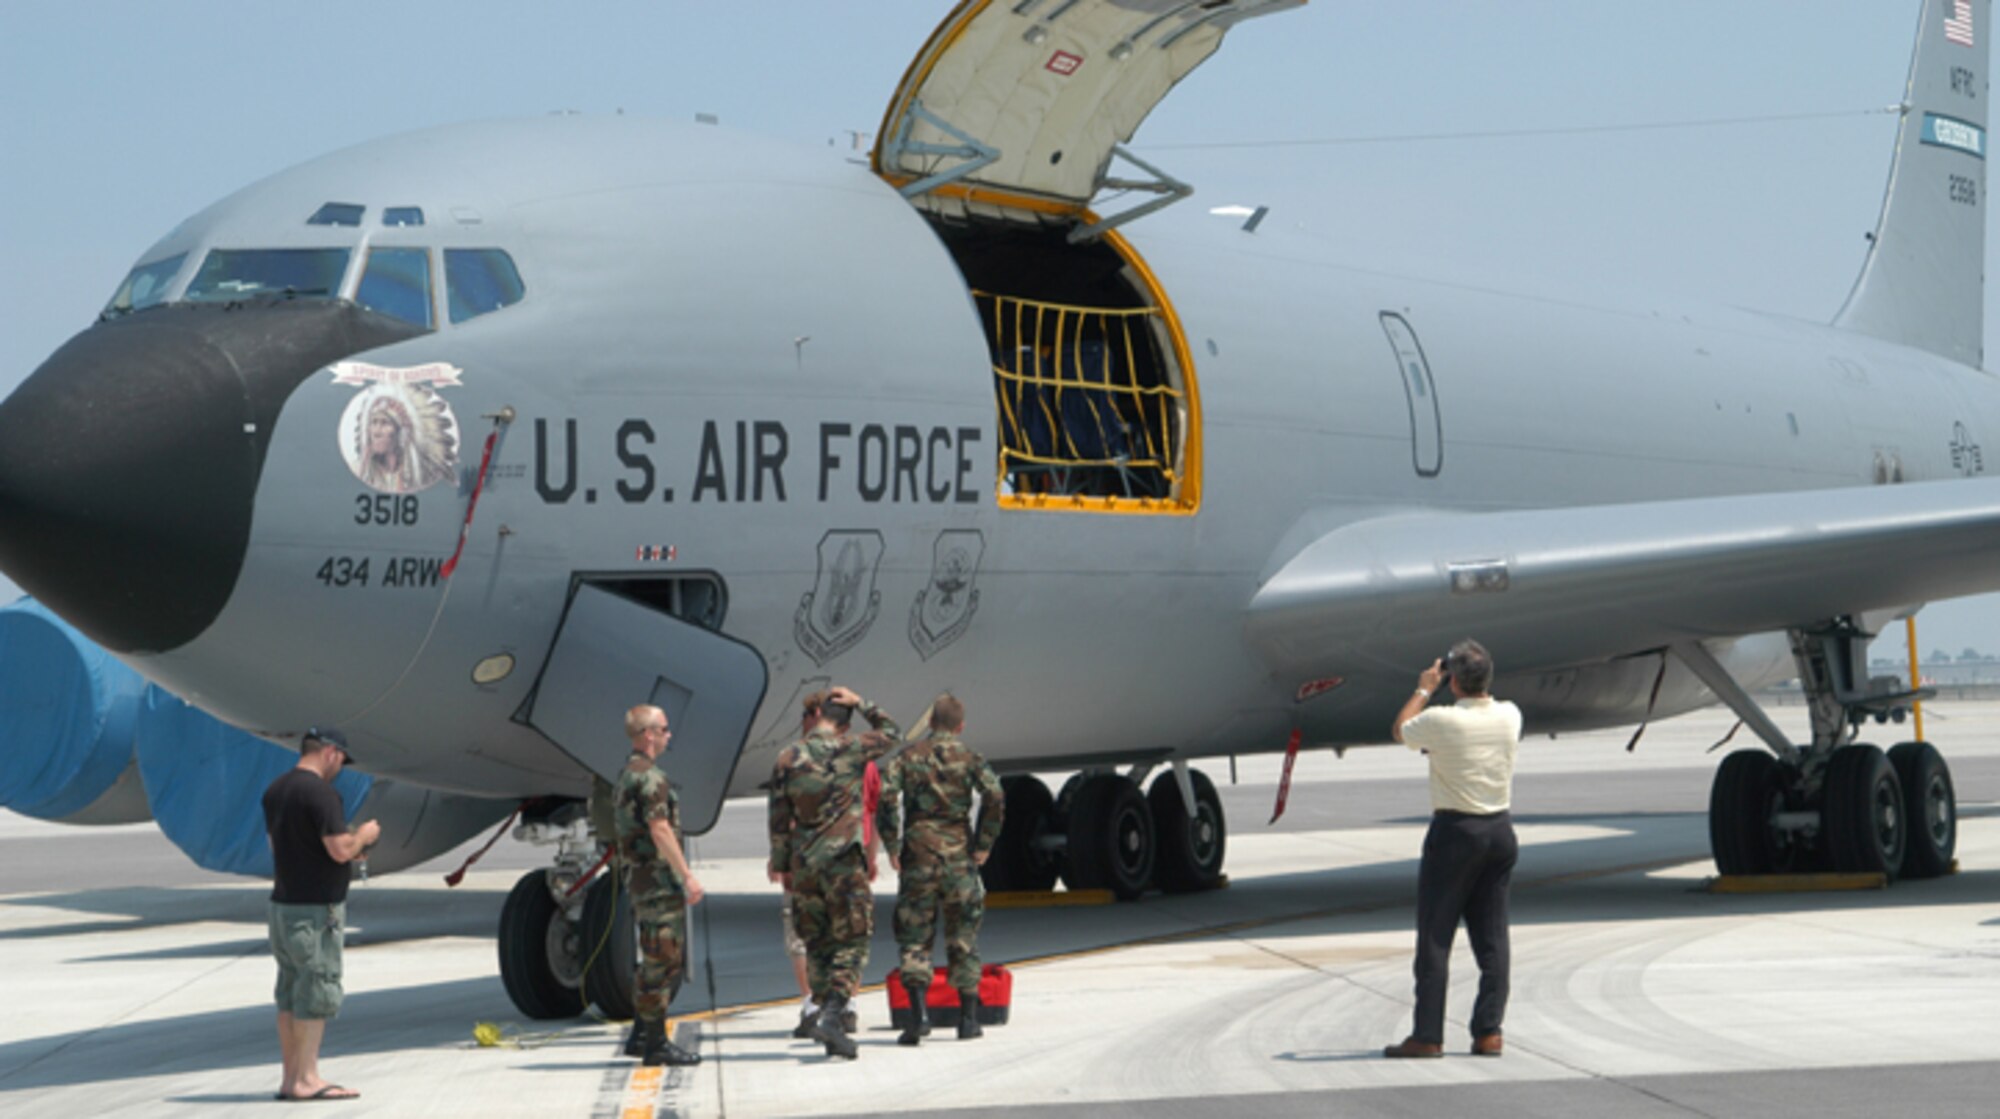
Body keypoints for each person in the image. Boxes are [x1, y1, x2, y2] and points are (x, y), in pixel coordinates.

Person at [1383, 639, 1523, 1059]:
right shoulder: (1510, 715)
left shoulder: (1442, 720)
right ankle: (1489, 1031)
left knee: (1436, 938)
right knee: (1493, 938)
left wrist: (1425, 688)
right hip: (1500, 830)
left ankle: (1428, 1035)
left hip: (1456, 831)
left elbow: (1400, 730)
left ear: (1454, 680)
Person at [768, 685, 901, 1059]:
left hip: (806, 865)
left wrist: (782, 866)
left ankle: (826, 1018)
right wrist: (862, 702)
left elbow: (778, 819)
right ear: (844, 726)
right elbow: (893, 733)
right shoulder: (852, 748)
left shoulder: (787, 757)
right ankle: (832, 1014)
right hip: (843, 862)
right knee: (853, 942)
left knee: (818, 944)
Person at [262, 726, 380, 1102]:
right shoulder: (322, 794)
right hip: (315, 913)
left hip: (283, 908)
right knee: (316, 992)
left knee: (289, 994)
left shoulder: (275, 791)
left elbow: (278, 844)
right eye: (342, 760)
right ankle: (307, 1078)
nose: (341, 768)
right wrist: (363, 835)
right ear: (330, 752)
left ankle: (290, 1077)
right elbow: (340, 850)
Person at [878, 693, 1003, 1045]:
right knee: (963, 936)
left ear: (931, 722)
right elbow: (994, 796)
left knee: (915, 938)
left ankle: (917, 1018)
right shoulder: (971, 758)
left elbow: (886, 796)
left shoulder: (908, 757)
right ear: (960, 726)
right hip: (959, 857)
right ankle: (967, 1019)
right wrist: (984, 843)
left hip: (918, 855)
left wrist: (891, 843)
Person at [613, 704, 706, 1067]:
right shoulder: (651, 778)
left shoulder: (627, 774)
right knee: (662, 961)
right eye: (664, 729)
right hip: (656, 882)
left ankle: (640, 1033)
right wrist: (686, 875)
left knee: (655, 957)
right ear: (648, 735)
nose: (669, 735)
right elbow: (660, 829)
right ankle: (655, 1045)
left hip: (640, 880)